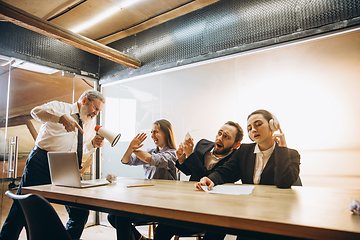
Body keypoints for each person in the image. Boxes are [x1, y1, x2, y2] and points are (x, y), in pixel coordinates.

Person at [0, 90, 105, 240]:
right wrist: (60, 118)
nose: (96, 113)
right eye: (95, 108)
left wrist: (92, 144)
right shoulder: (61, 108)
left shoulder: (89, 123)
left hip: (66, 167)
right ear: (85, 101)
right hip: (41, 161)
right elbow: (35, 112)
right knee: (22, 208)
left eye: (99, 111)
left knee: (80, 213)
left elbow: (78, 146)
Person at [154, 121, 244, 240]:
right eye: (219, 133)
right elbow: (191, 170)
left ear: (236, 145)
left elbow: (210, 178)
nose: (220, 138)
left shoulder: (236, 160)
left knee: (219, 227)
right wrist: (182, 159)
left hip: (215, 210)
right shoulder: (203, 144)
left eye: (226, 137)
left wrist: (191, 155)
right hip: (191, 203)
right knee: (164, 224)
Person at [196, 109, 300, 191]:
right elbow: (225, 172)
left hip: (277, 207)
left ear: (272, 125)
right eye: (249, 128)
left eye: (258, 124)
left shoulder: (291, 154)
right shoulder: (244, 151)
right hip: (250, 206)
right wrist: (210, 179)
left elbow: (283, 183)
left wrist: (282, 149)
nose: (253, 130)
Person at [107, 119, 177, 240]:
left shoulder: (172, 154)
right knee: (112, 216)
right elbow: (126, 160)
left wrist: (134, 148)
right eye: (151, 132)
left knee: (121, 218)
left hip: (162, 205)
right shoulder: (150, 151)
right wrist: (130, 148)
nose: (152, 135)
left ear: (166, 133)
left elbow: (151, 159)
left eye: (156, 132)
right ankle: (141, 238)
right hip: (147, 201)